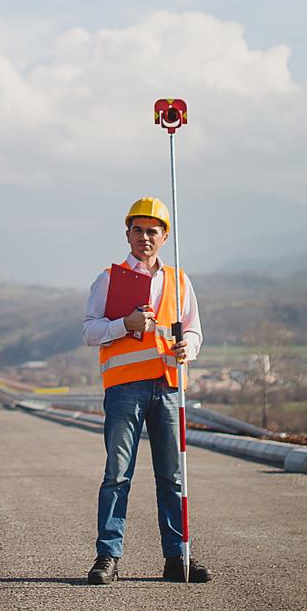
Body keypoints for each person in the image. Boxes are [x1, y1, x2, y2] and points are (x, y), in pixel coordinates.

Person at [82, 197, 210, 585]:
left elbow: (193, 328)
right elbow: (90, 331)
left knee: (172, 476)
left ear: (165, 236)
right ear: (127, 234)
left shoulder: (179, 280)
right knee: (117, 475)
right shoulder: (109, 278)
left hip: (169, 388)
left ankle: (178, 557)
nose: (144, 238)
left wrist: (189, 345)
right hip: (124, 390)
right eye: (137, 230)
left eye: (152, 231)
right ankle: (108, 556)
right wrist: (125, 323)